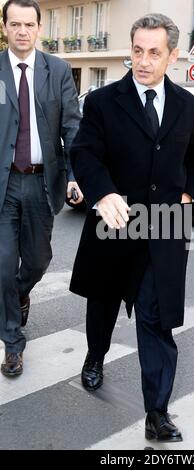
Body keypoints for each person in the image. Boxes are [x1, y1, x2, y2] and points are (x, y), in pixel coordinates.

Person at [70, 13, 194, 442]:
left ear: (172, 56)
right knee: (104, 303)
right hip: (116, 221)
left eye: (154, 52)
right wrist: (103, 193)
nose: (144, 61)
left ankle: (158, 412)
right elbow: (85, 153)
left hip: (165, 228)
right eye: (137, 51)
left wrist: (190, 192)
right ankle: (95, 356)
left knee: (156, 319)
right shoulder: (103, 102)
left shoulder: (188, 105)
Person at [0, 0, 83, 377]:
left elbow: (72, 126)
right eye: (14, 24)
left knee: (36, 261)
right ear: (4, 28)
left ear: (38, 28)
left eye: (28, 24)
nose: (22, 31)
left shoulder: (58, 70)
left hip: (40, 180)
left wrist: (76, 175)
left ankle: (18, 295)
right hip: (3, 182)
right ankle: (13, 343)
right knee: (2, 266)